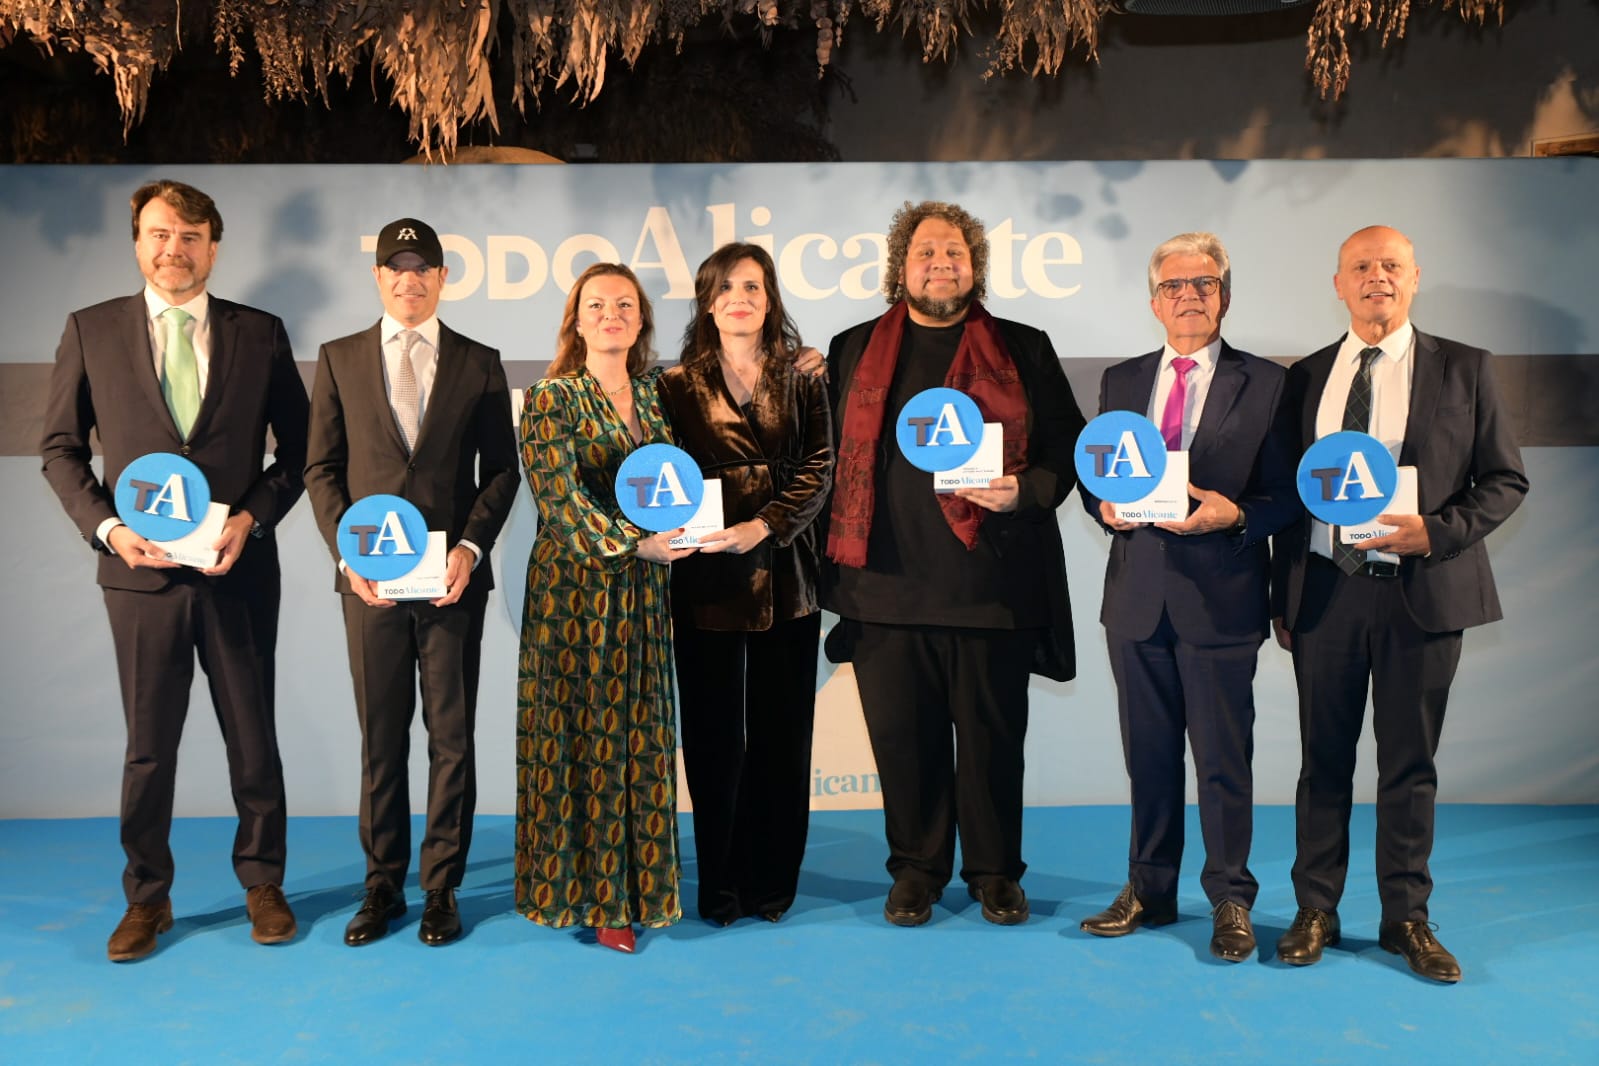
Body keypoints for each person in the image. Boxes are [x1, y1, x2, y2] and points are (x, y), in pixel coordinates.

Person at [39, 179, 309, 961]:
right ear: (138, 244)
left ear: (213, 248)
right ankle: (146, 897)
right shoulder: (91, 330)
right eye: (160, 234)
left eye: (190, 236)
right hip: (140, 577)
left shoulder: (260, 333)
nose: (174, 249)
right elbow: (60, 448)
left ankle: (263, 883)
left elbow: (300, 452)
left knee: (252, 737)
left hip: (236, 572)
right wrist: (109, 530)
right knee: (149, 746)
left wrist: (251, 518)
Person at [1271, 225, 1528, 982]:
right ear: (1338, 284)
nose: (1375, 276)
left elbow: (1504, 481)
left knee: (1408, 766)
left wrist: (1435, 533)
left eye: (1390, 265)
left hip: (1421, 595)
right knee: (1321, 763)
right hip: (1326, 595)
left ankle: (1405, 918)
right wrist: (1281, 595)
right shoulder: (1304, 377)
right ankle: (1315, 908)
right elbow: (1285, 495)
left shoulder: (1466, 367)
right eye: (1360, 266)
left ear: (1415, 278)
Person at [823, 200, 1085, 927]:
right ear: (899, 267)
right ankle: (915, 870)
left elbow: (1066, 446)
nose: (941, 264)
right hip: (883, 590)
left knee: (993, 745)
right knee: (903, 747)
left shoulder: (1024, 347)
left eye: (954, 254)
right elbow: (821, 457)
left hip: (991, 587)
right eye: (925, 253)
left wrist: (1024, 491)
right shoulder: (850, 349)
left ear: (975, 266)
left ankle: (996, 873)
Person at [1076, 232, 1299, 961]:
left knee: (1222, 762)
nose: (1189, 296)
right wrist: (1102, 507)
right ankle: (1149, 889)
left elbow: (1287, 494)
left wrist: (1235, 515)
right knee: (1148, 758)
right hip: (1135, 601)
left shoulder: (1268, 383)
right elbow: (1097, 477)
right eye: (1174, 286)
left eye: (1204, 283)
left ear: (1224, 298)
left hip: (1221, 600)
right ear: (1154, 303)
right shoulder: (1120, 380)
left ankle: (1231, 898)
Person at [304, 217, 518, 947]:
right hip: (369, 586)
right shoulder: (338, 359)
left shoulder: (479, 361)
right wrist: (349, 556)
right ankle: (382, 886)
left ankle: (441, 887)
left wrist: (470, 548)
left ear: (441, 278)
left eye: (422, 267)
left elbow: (502, 471)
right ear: (377, 278)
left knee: (451, 737)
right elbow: (321, 469)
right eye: (395, 267)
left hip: (451, 584)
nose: (409, 279)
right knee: (381, 737)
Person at [516, 262, 695, 954]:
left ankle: (642, 890)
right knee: (580, 739)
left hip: (644, 596)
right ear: (577, 320)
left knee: (639, 736)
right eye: (597, 304)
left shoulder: (659, 393)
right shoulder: (551, 398)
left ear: (641, 319)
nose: (611, 314)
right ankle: (591, 900)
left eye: (625, 303)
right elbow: (559, 498)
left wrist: (802, 360)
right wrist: (634, 544)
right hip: (574, 595)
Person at [655, 243, 834, 926]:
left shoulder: (803, 376)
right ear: (707, 302)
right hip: (705, 579)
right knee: (712, 742)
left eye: (753, 287)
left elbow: (820, 466)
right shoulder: (672, 385)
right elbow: (658, 471)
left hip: (787, 575)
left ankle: (773, 882)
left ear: (770, 300)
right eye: (726, 287)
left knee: (783, 738)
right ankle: (720, 885)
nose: (740, 298)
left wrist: (765, 525)